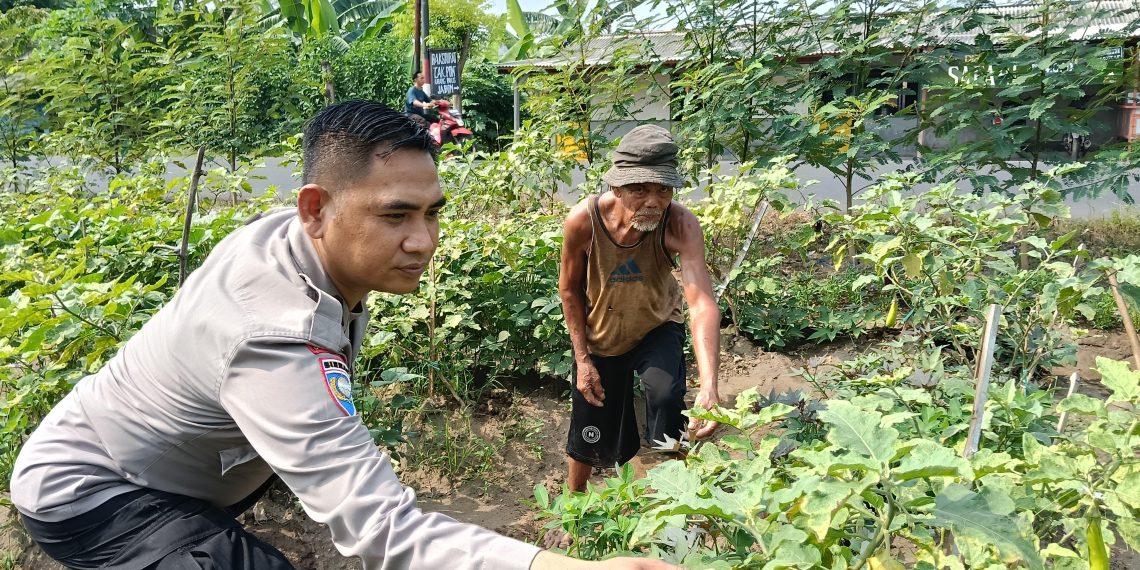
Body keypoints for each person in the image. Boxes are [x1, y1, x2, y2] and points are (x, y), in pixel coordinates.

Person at [9, 101, 676, 570]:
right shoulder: (271, 329)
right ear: (315, 210)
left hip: (188, 470)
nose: (424, 241)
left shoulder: (305, 241)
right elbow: (382, 529)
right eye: (394, 216)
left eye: (431, 213)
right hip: (96, 491)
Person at [558, 124, 722, 495]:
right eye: (640, 189)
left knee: (666, 399)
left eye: (663, 189)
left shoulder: (680, 223)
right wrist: (583, 360)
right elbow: (569, 290)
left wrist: (709, 385)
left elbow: (700, 302)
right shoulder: (583, 221)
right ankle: (573, 507)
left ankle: (684, 497)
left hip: (656, 325)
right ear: (616, 188)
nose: (653, 201)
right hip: (603, 334)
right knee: (590, 422)